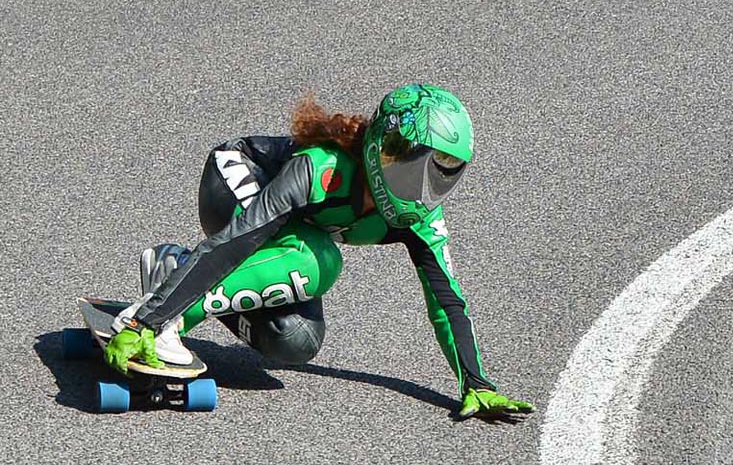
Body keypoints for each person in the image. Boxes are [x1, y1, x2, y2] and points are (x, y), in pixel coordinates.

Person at [103, 84, 534, 423]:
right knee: (320, 260)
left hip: (285, 237)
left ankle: (174, 268)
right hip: (234, 181)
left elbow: (447, 302)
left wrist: (475, 382)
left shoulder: (419, 219)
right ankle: (166, 317)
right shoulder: (321, 169)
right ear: (377, 147)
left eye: (439, 176)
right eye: (410, 166)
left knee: (296, 341)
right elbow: (240, 238)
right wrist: (150, 320)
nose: (421, 189)